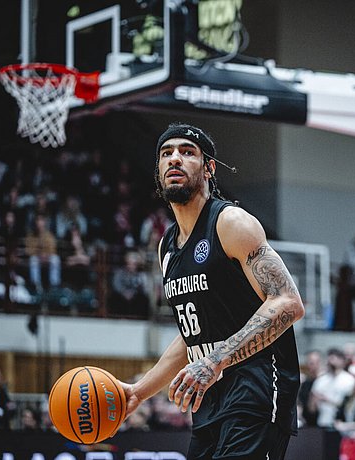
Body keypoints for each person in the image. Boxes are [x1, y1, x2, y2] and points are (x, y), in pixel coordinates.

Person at [118, 123, 304, 460]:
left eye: (187, 152)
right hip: (208, 397)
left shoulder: (231, 223)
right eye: (166, 153)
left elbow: (288, 302)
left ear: (209, 168)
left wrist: (216, 360)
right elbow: (193, 335)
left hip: (257, 384)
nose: (175, 159)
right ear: (158, 171)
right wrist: (138, 392)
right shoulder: (167, 247)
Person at [309, 347, 355, 428]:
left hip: (342, 423)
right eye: (329, 358)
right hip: (322, 422)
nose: (331, 361)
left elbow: (350, 405)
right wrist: (314, 402)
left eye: (334, 358)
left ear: (342, 361)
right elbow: (311, 407)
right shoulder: (320, 380)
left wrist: (327, 400)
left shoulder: (349, 380)